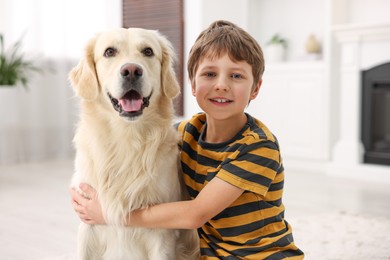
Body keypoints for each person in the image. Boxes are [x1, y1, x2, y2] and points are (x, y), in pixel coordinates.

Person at [71, 20, 304, 259]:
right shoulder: (186, 133)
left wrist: (107, 213)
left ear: (255, 88)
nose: (221, 85)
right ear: (192, 84)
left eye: (236, 76)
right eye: (210, 74)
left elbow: (195, 214)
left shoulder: (259, 147)